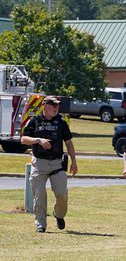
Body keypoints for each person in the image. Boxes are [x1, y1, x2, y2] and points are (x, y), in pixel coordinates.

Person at [20, 96, 78, 233]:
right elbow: (23, 139)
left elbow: (68, 143)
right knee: (39, 195)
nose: (56, 108)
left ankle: (58, 215)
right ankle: (40, 224)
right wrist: (38, 140)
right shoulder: (34, 121)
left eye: (57, 105)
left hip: (57, 163)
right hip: (39, 164)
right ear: (45, 106)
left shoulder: (61, 123)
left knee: (62, 194)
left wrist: (74, 162)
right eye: (53, 105)